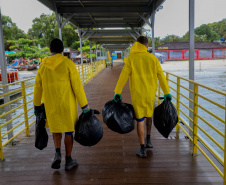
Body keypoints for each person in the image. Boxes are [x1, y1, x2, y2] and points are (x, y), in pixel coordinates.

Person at [33, 38, 90, 170]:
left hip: (51, 104)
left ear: (50, 50)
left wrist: (36, 106)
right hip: (67, 104)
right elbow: (77, 86)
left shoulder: (43, 65)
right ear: (63, 49)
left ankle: (57, 154)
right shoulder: (68, 63)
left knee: (56, 129)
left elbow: (37, 87)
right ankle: (68, 160)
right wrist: (85, 106)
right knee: (69, 132)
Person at [114, 36, 172, 158]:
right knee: (149, 114)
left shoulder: (131, 59)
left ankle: (142, 148)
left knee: (140, 119)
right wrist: (166, 92)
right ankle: (149, 140)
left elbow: (123, 76)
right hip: (150, 93)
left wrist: (117, 92)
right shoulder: (153, 58)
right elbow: (161, 76)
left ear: (136, 45)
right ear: (146, 46)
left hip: (137, 94)